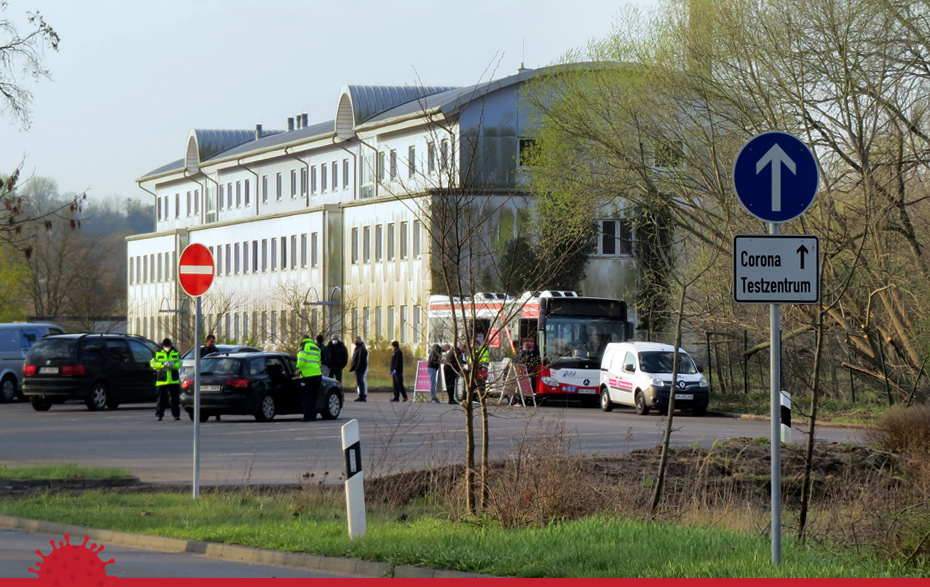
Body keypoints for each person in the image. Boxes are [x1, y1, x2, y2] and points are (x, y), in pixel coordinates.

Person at [150, 338, 181, 421]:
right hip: (162, 379)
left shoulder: (175, 352)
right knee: (161, 399)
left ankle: (176, 415)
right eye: (166, 346)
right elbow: (153, 364)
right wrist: (163, 365)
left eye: (168, 346)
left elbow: (180, 363)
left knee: (175, 399)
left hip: (173, 379)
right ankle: (159, 415)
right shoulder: (157, 353)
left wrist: (172, 365)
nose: (167, 347)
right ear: (163, 345)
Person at [296, 333, 322, 421]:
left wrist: (298, 369)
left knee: (306, 396)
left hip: (307, 375)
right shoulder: (316, 347)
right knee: (314, 397)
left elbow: (301, 360)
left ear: (302, 339)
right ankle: (313, 416)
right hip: (317, 374)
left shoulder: (303, 346)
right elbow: (319, 361)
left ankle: (307, 416)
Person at [348, 336, 369, 402]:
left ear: (360, 341)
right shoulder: (357, 348)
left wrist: (357, 368)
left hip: (360, 368)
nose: (356, 342)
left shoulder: (362, 349)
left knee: (360, 382)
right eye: (355, 341)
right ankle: (361, 395)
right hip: (358, 368)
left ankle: (362, 396)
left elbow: (361, 360)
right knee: (359, 382)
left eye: (357, 341)